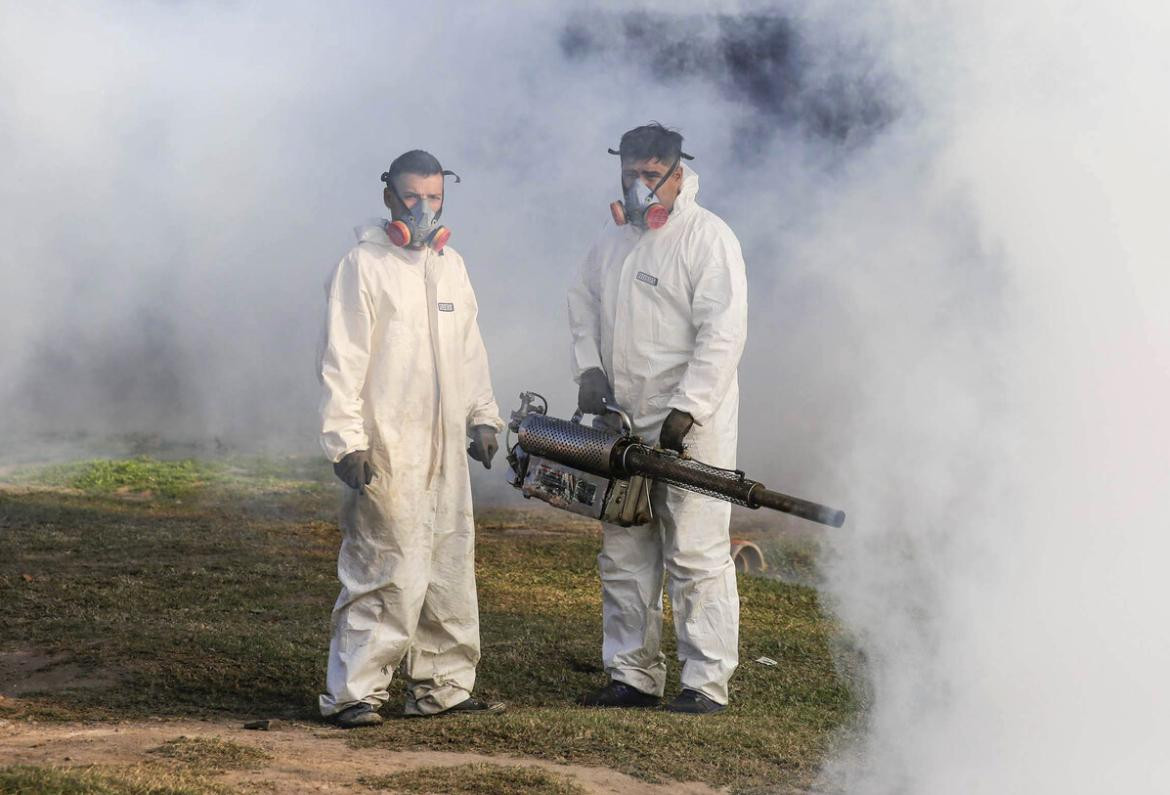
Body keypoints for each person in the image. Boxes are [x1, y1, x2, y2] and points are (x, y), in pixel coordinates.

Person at [317, 149, 505, 728]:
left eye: (434, 199)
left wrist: (483, 416)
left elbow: (470, 352)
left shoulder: (451, 266)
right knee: (384, 568)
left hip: (446, 445)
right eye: (412, 197)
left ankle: (443, 688)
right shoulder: (363, 266)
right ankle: (353, 693)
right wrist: (346, 441)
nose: (423, 209)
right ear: (388, 198)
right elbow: (342, 359)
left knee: (449, 565)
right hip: (388, 446)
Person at [567, 124, 748, 715]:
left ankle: (705, 683)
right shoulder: (612, 238)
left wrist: (689, 408)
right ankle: (632, 676)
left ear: (678, 173)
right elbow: (582, 301)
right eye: (630, 175)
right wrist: (588, 368)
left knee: (695, 552)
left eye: (651, 176)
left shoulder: (707, 238)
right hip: (623, 421)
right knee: (624, 549)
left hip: (690, 428)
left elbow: (723, 334)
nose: (640, 187)